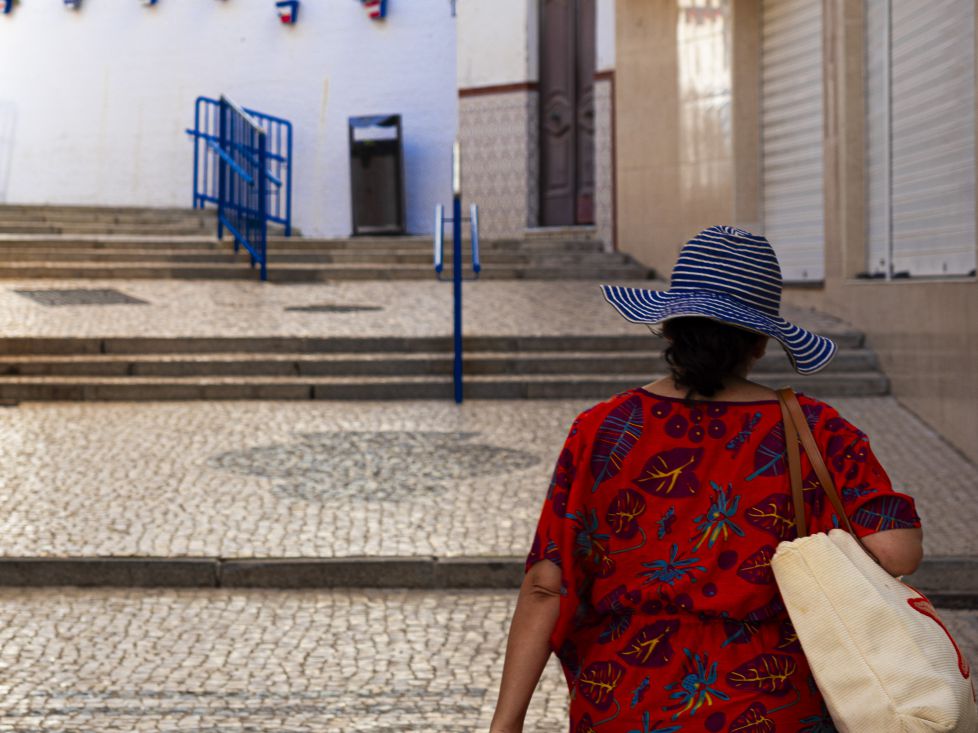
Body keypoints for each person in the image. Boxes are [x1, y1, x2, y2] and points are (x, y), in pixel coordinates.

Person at [488, 226, 923, 733]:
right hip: (771, 704)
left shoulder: (601, 429)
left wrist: (506, 724)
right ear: (761, 342)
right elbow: (897, 552)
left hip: (628, 704)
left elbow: (545, 586)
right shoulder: (817, 432)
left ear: (670, 327)